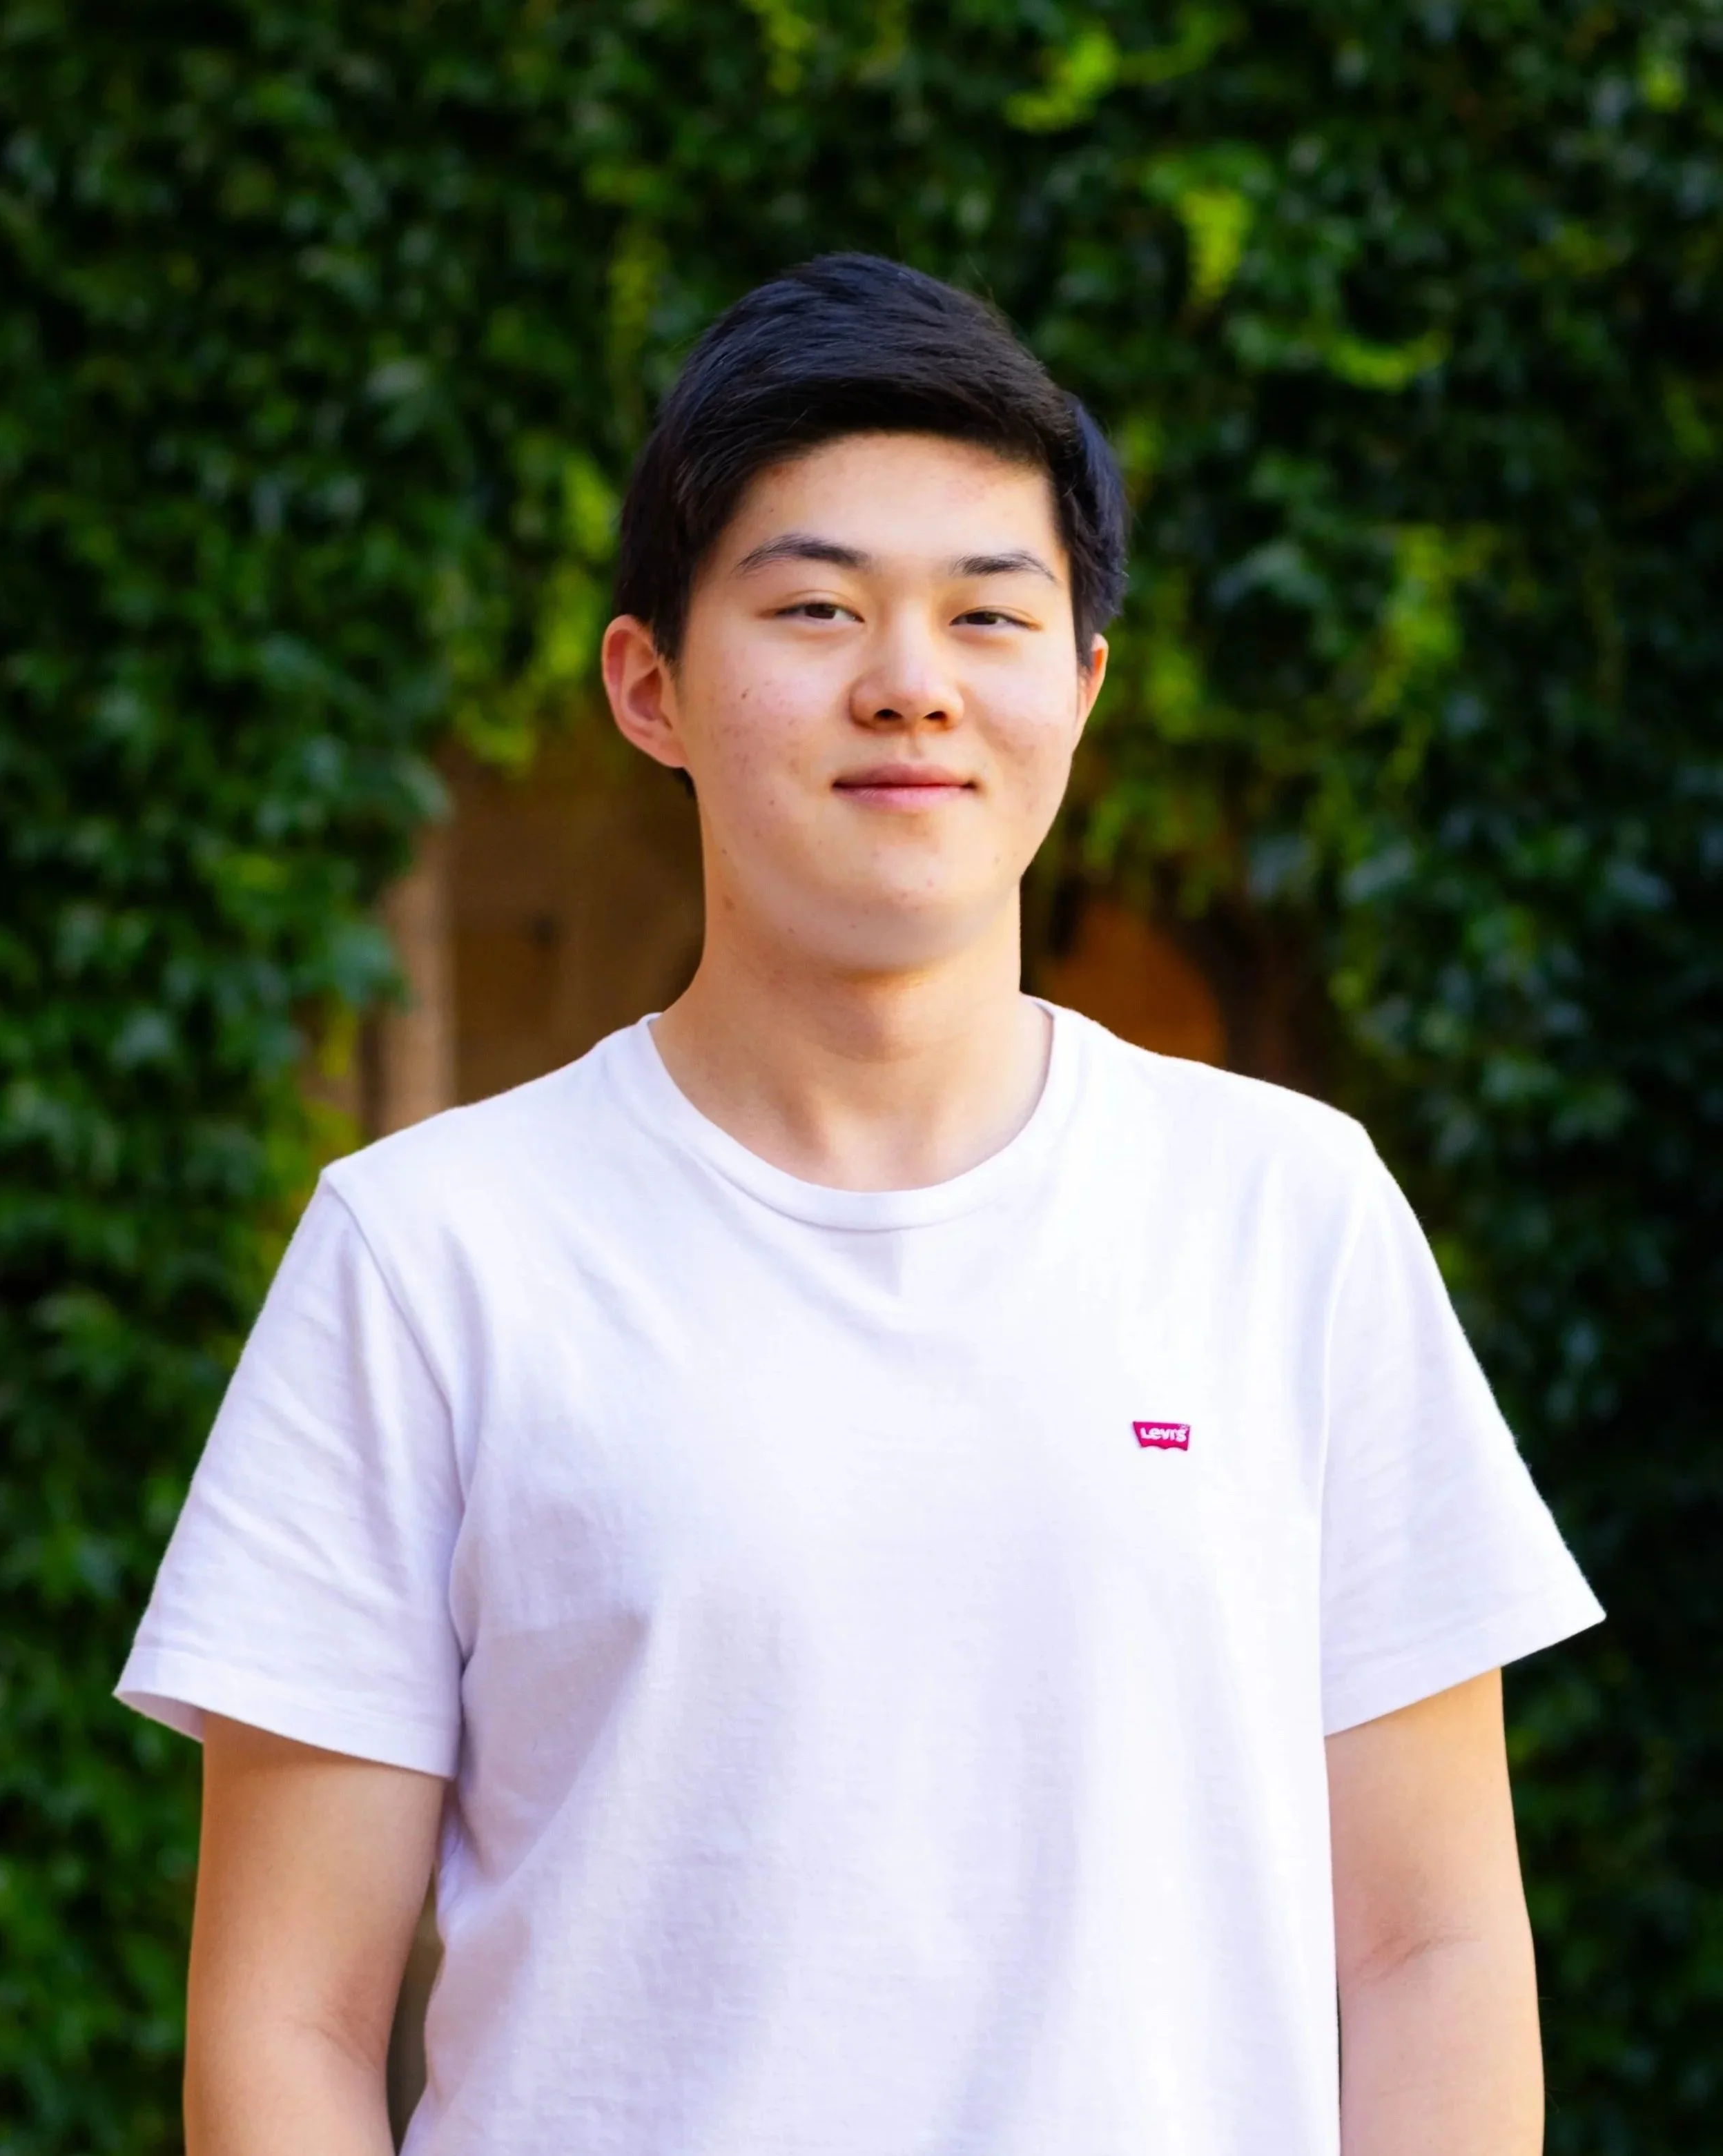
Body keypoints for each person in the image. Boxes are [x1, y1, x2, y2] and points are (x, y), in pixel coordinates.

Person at [120, 254, 1602, 2156]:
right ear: (649, 685)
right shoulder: (429, 1254)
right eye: (814, 607)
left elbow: (1433, 1945)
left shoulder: (1284, 1211)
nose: (906, 684)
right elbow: (286, 2020)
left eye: (986, 614)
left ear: (1074, 687)